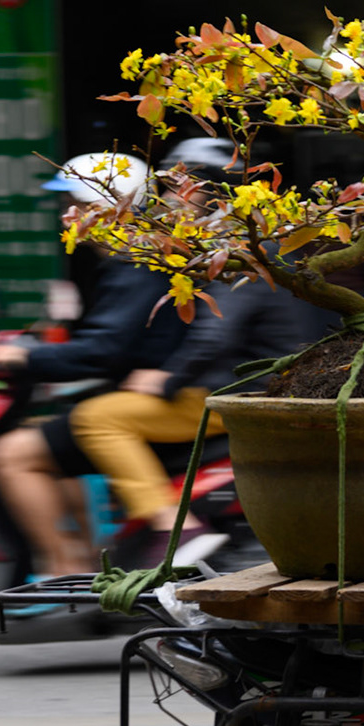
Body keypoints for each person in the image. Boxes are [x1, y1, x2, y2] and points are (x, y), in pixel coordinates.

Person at [68, 146, 339, 568]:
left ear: (205, 194)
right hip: (265, 387)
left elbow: (215, 334)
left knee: (97, 417)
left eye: (178, 188)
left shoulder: (239, 252)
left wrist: (167, 379)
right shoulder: (265, 245)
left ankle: (174, 526)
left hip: (244, 394)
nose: (168, 199)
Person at [0, 153, 183, 578]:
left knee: (11, 455)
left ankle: (65, 567)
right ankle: (90, 558)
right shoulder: (137, 257)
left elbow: (102, 351)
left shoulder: (135, 264)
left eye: (73, 205)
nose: (66, 216)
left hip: (165, 401)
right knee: (51, 439)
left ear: (104, 207)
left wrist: (23, 356)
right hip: (147, 395)